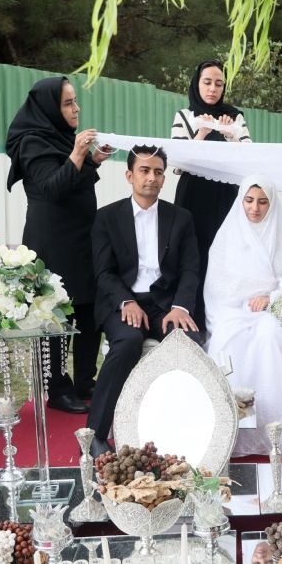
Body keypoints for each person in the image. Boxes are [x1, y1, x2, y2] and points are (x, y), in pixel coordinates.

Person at [86, 146, 201, 454]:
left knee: (189, 342)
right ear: (129, 175)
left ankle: (186, 431)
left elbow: (191, 268)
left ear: (164, 178)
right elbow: (104, 272)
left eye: (158, 172)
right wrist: (126, 302)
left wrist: (180, 306)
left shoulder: (181, 218)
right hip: (123, 302)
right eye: (144, 170)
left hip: (166, 304)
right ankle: (95, 434)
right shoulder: (107, 217)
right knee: (127, 342)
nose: (152, 177)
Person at [6, 76, 108, 414]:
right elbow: (52, 188)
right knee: (55, 313)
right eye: (67, 103)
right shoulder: (32, 142)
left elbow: (76, 180)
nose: (76, 108)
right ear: (49, 107)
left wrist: (93, 160)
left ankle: (85, 380)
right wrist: (78, 154)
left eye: (75, 100)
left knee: (89, 308)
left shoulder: (61, 137)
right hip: (52, 239)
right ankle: (57, 388)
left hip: (82, 235)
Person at [204, 176, 282, 458]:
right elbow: (217, 286)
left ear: (272, 203)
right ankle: (233, 428)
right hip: (232, 311)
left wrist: (270, 298)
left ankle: (274, 426)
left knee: (270, 335)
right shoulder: (227, 235)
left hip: (270, 310)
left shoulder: (281, 235)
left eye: (263, 202)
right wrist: (244, 301)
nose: (255, 208)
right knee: (227, 339)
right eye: (249, 200)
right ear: (240, 201)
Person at [170, 60, 252, 326]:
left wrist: (229, 134)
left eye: (219, 84)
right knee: (191, 254)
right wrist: (203, 132)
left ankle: (221, 323)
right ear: (197, 83)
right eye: (207, 82)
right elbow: (179, 163)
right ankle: (189, 321)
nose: (213, 89)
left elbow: (249, 158)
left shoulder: (235, 117)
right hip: (192, 196)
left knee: (224, 255)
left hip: (225, 197)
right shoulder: (185, 116)